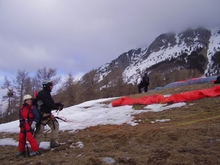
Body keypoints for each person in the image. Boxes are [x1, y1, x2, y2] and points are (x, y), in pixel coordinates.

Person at [34, 80, 63, 148]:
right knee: (40, 131)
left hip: (48, 115)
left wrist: (58, 104)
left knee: (55, 125)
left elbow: (50, 103)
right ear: (47, 86)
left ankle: (53, 143)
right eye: (51, 85)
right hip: (42, 115)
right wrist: (57, 107)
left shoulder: (47, 93)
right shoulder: (43, 93)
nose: (52, 87)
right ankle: (35, 147)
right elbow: (47, 104)